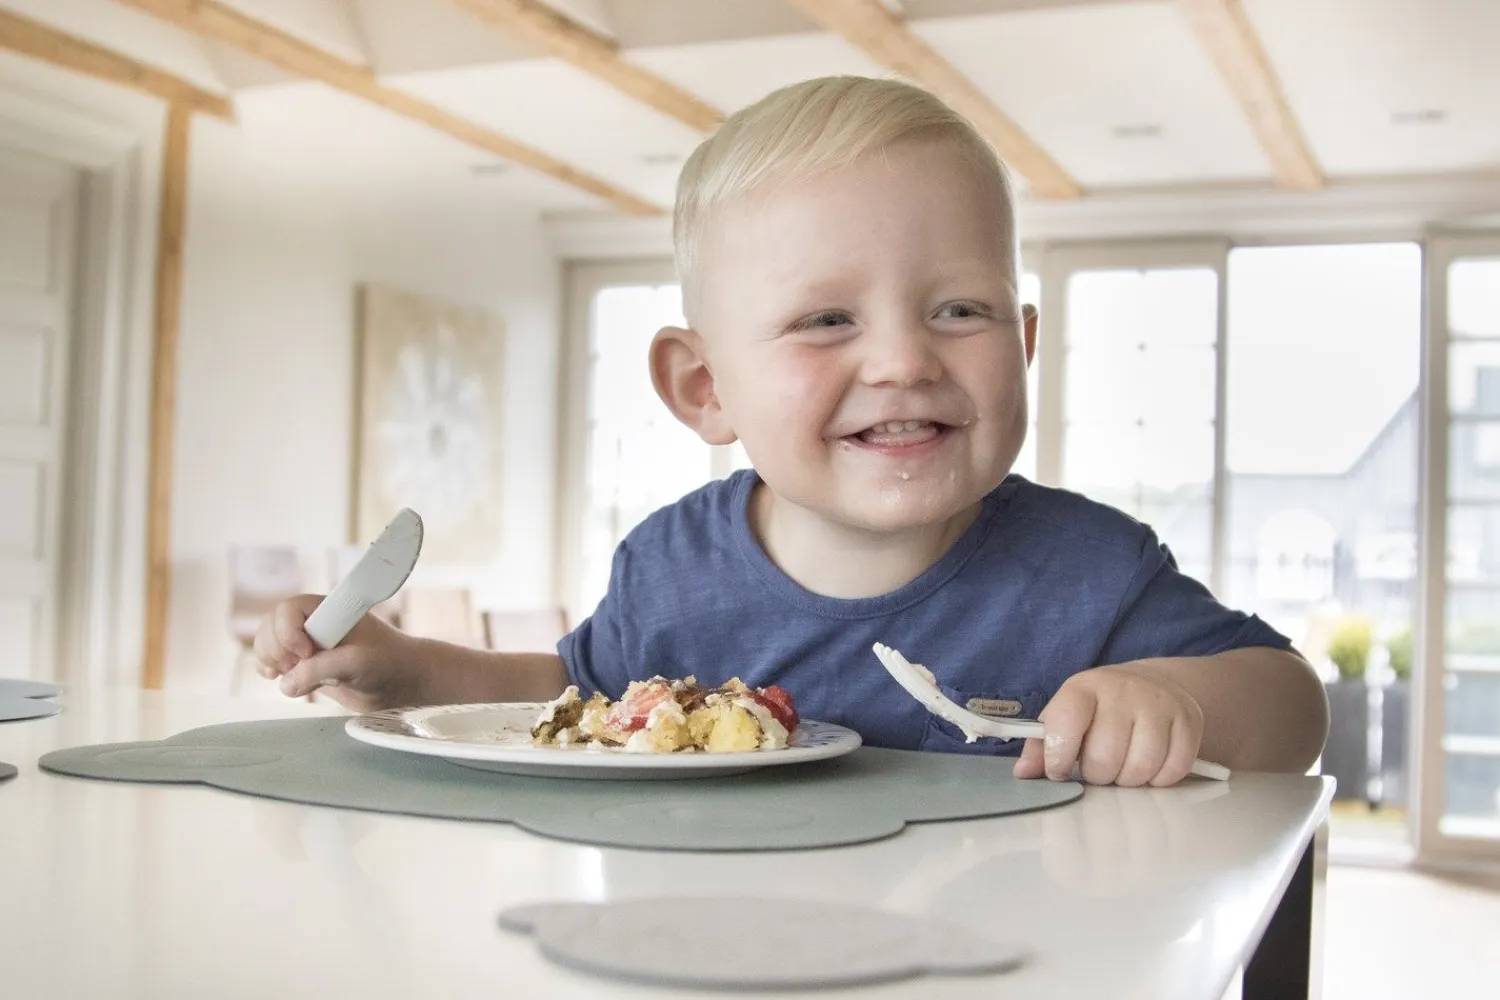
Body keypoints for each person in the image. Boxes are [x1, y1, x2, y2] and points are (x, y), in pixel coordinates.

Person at [256, 75, 1328, 786]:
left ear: (1026, 343)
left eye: (961, 309)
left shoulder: (1090, 571)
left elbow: (1296, 710)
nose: (905, 360)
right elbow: (570, 701)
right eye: (826, 320)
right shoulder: (669, 569)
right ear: (704, 387)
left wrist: (1177, 699)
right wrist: (404, 669)